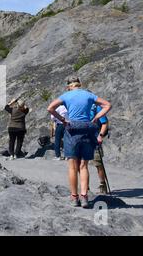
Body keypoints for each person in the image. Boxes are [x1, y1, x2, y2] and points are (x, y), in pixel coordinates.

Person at [47, 77, 111, 208]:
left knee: (72, 167)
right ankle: (84, 197)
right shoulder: (89, 95)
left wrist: (63, 120)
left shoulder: (66, 95)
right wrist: (96, 117)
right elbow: (108, 105)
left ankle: (74, 197)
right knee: (84, 166)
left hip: (72, 130)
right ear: (80, 84)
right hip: (87, 129)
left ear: (69, 86)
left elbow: (50, 108)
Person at [90, 104, 110, 195]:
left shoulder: (96, 107)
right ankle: (85, 188)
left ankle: (103, 185)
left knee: (98, 163)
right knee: (82, 164)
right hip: (82, 139)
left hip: (94, 139)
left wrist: (100, 136)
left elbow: (104, 123)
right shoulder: (79, 107)